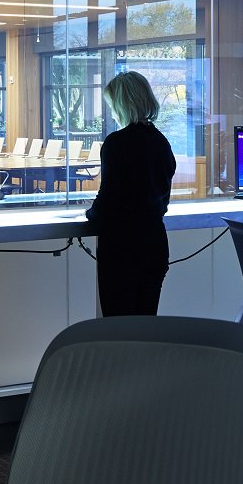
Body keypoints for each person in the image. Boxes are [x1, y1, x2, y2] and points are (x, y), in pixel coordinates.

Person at [84, 71, 176, 316]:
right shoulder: (161, 141)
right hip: (155, 243)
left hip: (122, 248)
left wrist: (90, 214)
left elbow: (108, 200)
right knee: (145, 324)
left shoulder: (116, 143)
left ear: (122, 105)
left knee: (119, 329)